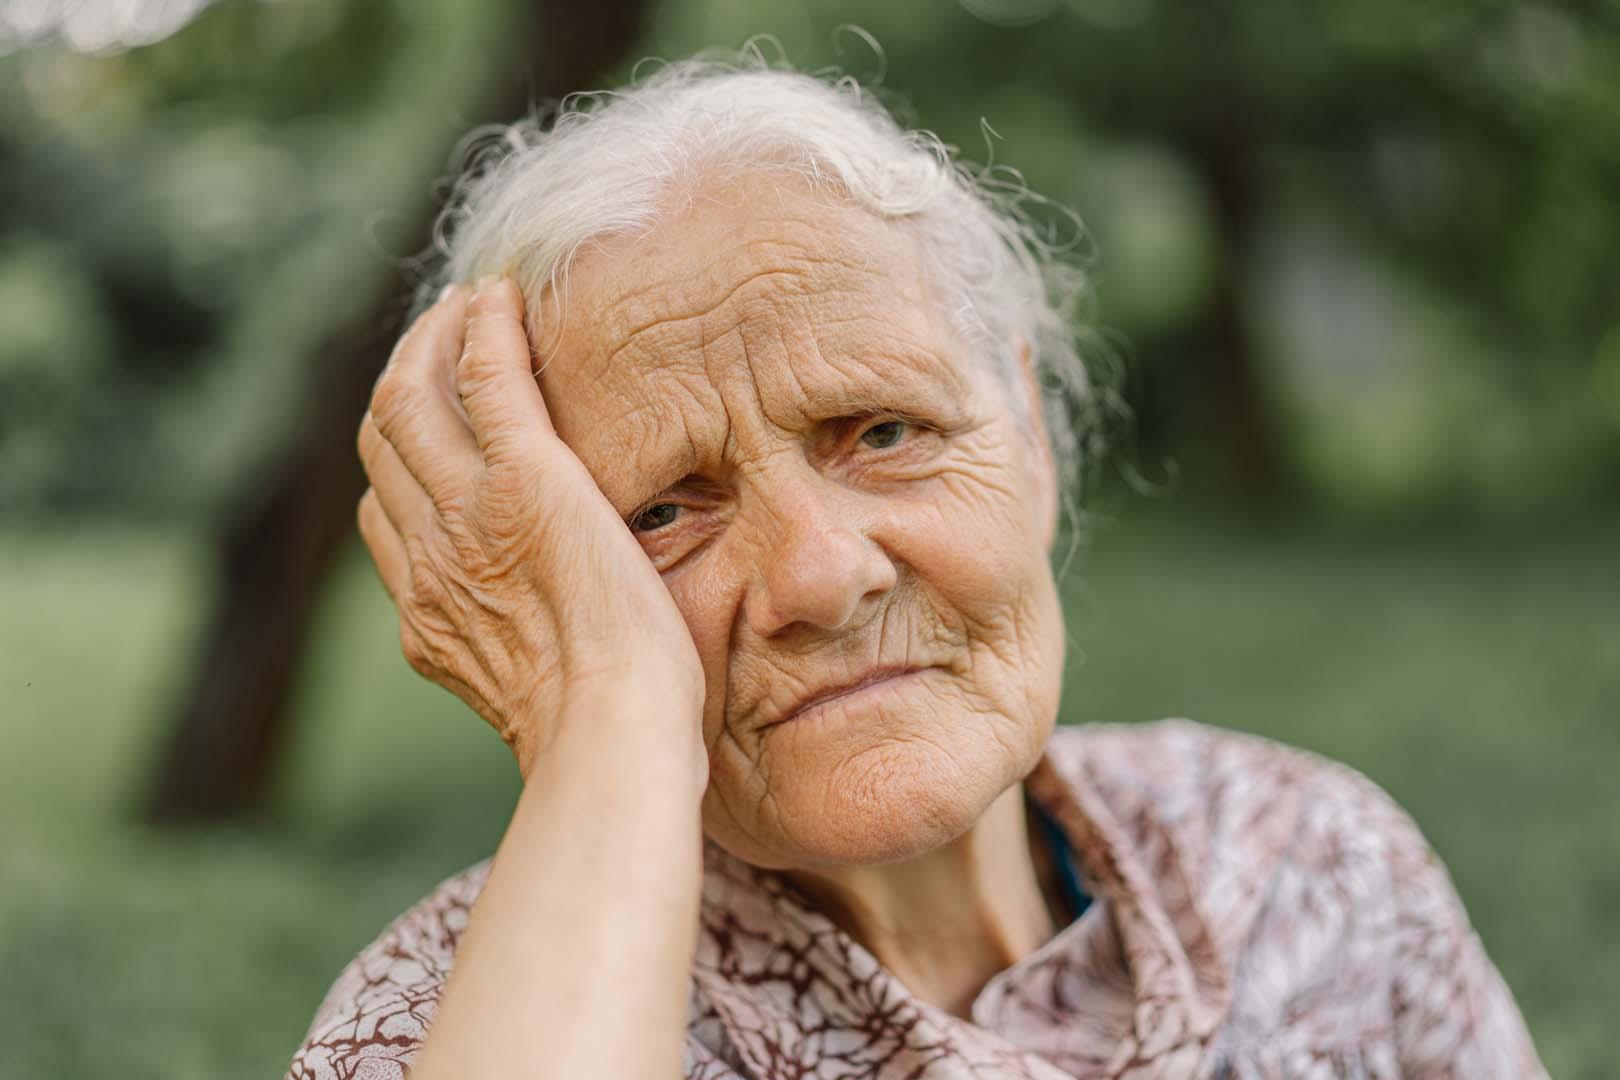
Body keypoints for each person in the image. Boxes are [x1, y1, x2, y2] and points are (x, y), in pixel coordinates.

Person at [285, 53, 1546, 1080]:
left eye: (884, 433)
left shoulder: (1299, 865)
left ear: (1032, 435)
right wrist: (610, 707)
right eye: (662, 513)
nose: (823, 577)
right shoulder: (439, 1027)